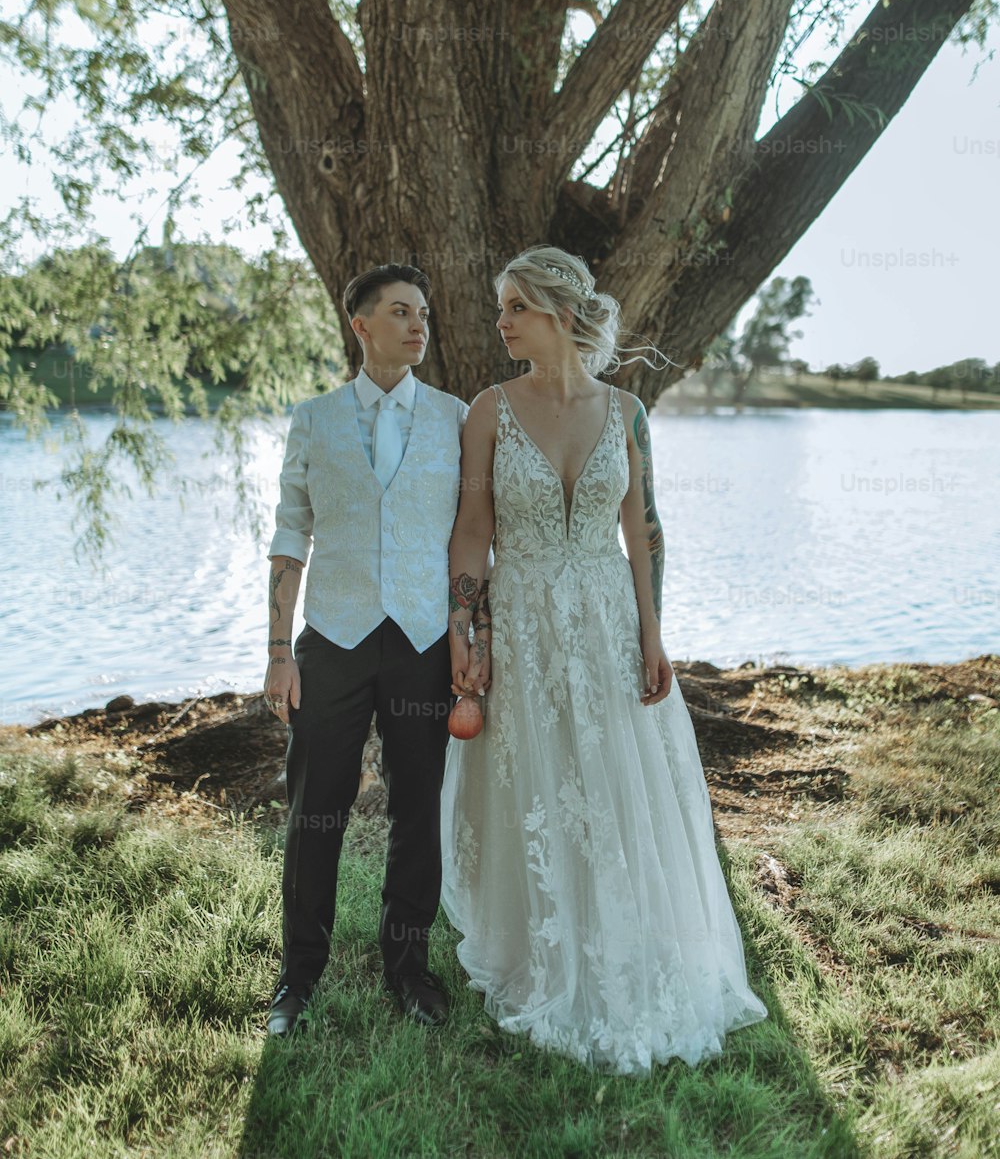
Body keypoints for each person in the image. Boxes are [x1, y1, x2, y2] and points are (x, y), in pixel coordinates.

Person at [441, 245, 768, 1075]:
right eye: (502, 306)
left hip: (607, 615)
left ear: (554, 312)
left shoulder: (627, 411)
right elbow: (474, 534)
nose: (502, 320)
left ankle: (635, 940)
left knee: (621, 780)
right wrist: (464, 630)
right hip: (520, 622)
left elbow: (644, 531)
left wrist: (654, 633)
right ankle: (543, 946)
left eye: (514, 305)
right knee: (540, 780)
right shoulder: (487, 409)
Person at [264, 263, 468, 1036]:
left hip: (421, 642)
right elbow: (290, 537)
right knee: (316, 809)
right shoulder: (312, 419)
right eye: (400, 311)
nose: (418, 324)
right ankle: (298, 976)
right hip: (335, 641)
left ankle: (409, 970)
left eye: (424, 312)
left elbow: (469, 539)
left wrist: (466, 639)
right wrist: (280, 651)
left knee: (419, 808)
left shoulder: (456, 416)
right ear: (360, 326)